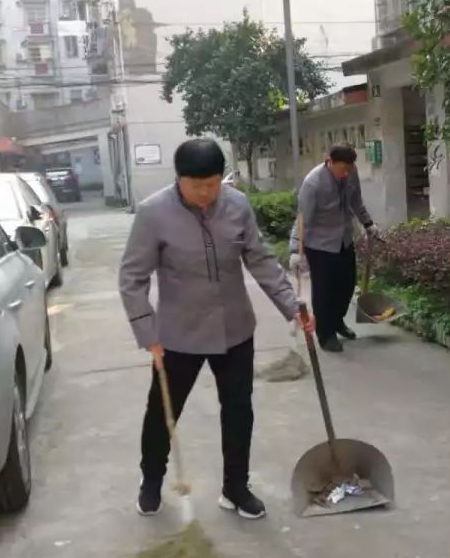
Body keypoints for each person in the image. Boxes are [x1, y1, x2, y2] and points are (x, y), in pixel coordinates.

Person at [119, 138, 314, 519]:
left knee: (239, 410)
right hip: (177, 334)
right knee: (163, 411)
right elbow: (132, 278)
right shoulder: (153, 213)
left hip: (235, 329)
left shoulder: (237, 205)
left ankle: (236, 487)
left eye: (213, 184)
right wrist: (148, 334)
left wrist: (293, 307)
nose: (207, 194)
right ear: (179, 180)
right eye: (197, 186)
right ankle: (152, 480)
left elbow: (260, 260)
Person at [289, 144, 377, 352]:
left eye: (349, 169)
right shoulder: (313, 183)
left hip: (344, 240)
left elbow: (356, 202)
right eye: (342, 169)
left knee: (346, 285)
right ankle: (325, 334)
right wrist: (294, 249)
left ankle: (337, 322)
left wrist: (368, 223)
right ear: (330, 161)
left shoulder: (350, 174)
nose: (345, 173)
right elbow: (303, 219)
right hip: (319, 245)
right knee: (323, 292)